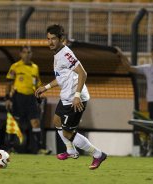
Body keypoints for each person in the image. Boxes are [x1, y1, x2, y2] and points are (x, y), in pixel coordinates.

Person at [35, 24, 106, 170]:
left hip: (75, 99)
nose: (50, 42)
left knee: (68, 133)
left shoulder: (66, 54)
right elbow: (61, 78)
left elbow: (83, 73)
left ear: (61, 39)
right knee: (56, 121)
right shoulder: (57, 54)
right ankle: (71, 151)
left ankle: (98, 154)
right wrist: (45, 87)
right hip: (67, 97)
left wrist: (77, 96)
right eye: (48, 39)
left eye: (53, 39)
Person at [117, 47, 153, 156]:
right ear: (151, 55)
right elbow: (129, 68)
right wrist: (121, 55)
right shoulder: (147, 68)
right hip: (152, 102)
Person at [5, 45, 51, 155]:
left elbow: (37, 84)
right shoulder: (15, 66)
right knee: (15, 123)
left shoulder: (35, 67)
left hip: (31, 99)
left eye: (29, 52)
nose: (27, 54)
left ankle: (40, 148)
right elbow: (8, 84)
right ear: (20, 54)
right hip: (18, 98)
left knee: (35, 122)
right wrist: (8, 99)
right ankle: (11, 147)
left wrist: (39, 100)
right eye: (24, 52)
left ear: (31, 54)